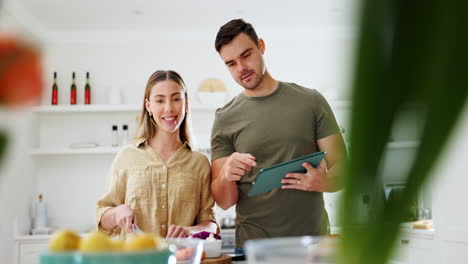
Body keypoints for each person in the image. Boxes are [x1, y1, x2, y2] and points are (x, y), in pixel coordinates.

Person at [210, 19, 347, 248]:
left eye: (246, 55)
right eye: (231, 64)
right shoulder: (224, 118)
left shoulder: (311, 102)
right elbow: (224, 202)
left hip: (312, 244)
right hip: (255, 247)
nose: (241, 68)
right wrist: (226, 175)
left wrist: (325, 180)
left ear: (261, 46)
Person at [96, 70, 218, 239]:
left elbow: (210, 223)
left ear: (186, 103)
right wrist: (117, 213)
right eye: (160, 100)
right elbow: (102, 220)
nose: (168, 108)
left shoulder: (199, 163)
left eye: (176, 99)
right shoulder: (127, 157)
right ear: (148, 106)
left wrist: (189, 231)